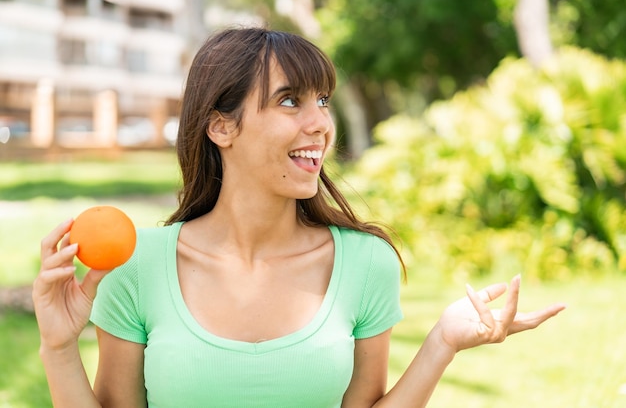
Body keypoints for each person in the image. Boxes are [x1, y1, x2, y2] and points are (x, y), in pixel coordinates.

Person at [33, 27, 566, 408]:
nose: (320, 124)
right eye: (290, 102)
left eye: (323, 100)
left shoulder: (363, 262)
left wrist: (442, 343)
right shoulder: (137, 264)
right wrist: (58, 346)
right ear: (221, 127)